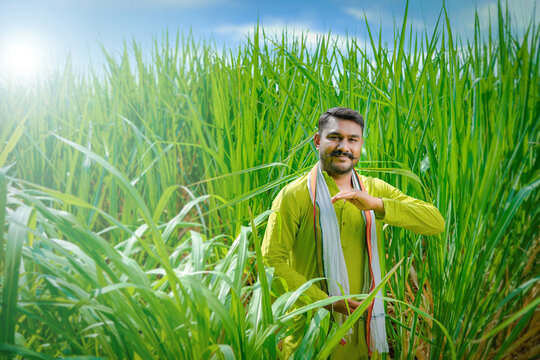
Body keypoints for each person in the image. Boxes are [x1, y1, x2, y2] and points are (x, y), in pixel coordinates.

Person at [261, 107, 445, 359]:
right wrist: (324, 301)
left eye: (352, 139)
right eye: (335, 137)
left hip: (367, 342)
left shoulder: (373, 189)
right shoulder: (295, 195)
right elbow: (271, 263)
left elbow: (435, 222)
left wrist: (377, 205)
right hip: (312, 341)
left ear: (360, 145)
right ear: (318, 141)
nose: (343, 146)